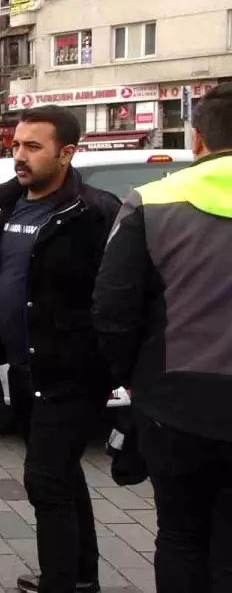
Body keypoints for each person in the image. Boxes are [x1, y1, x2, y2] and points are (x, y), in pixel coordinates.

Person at [0, 105, 119, 593]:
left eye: (32, 147)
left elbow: (121, 294)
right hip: (21, 370)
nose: (18, 156)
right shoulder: (6, 205)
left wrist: (116, 365)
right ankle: (81, 577)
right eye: (16, 145)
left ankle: (61, 583)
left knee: (44, 480)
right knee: (61, 477)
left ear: (67, 153)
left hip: (70, 373)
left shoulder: (96, 212)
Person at [94, 83, 232, 593]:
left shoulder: (151, 201)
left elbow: (112, 310)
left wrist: (136, 382)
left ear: (197, 140)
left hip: (175, 404)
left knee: (180, 535)